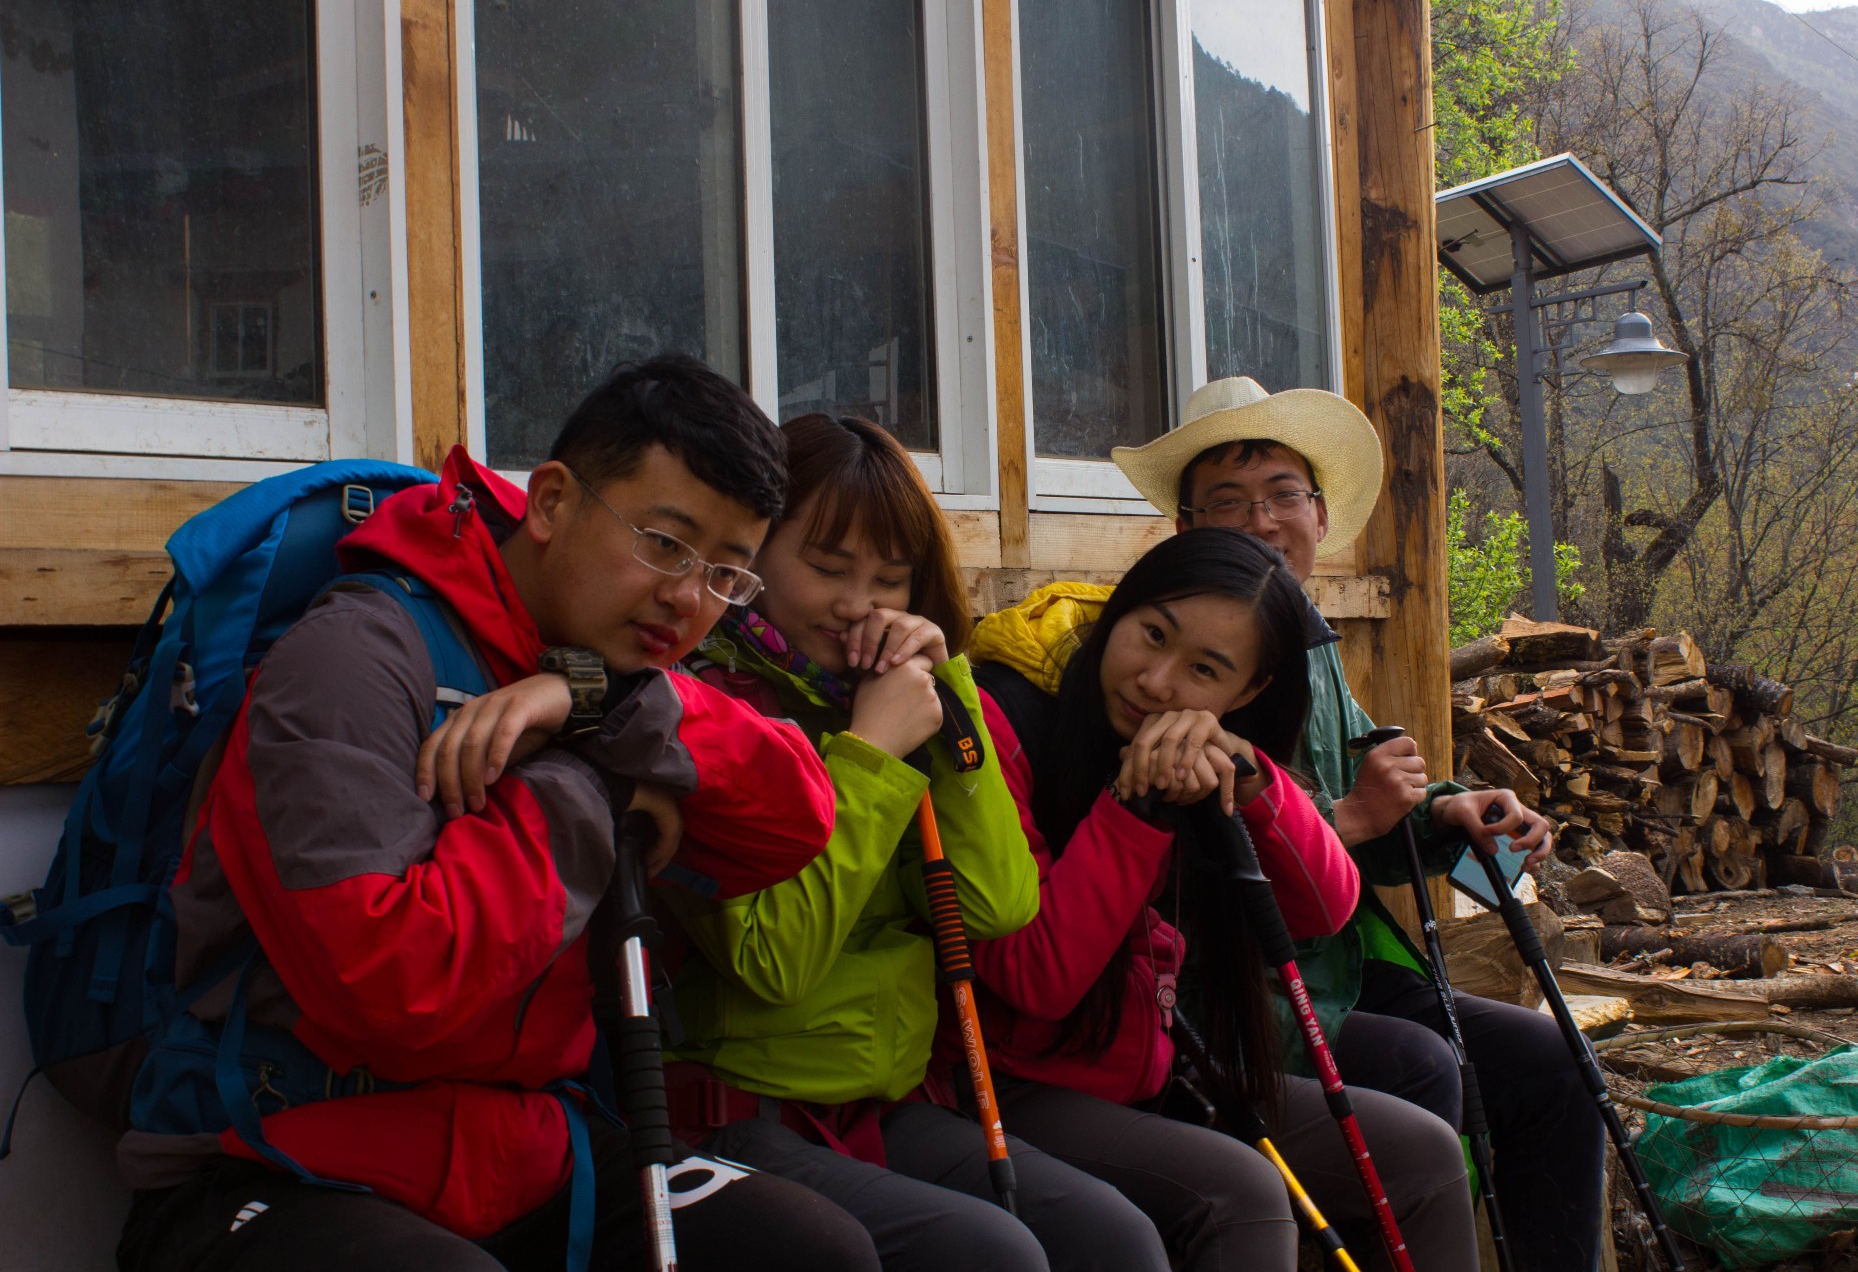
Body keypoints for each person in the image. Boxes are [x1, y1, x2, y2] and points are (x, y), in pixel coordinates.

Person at [118, 357, 881, 1272]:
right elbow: (395, 986)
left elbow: (797, 814)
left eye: (727, 575)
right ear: (552, 502)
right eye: (665, 544)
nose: (688, 602)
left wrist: (588, 696)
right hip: (281, 1151)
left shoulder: (601, 666)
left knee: (811, 1251)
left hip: (523, 1146)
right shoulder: (353, 660)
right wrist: (597, 794)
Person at [1112, 375, 1606, 1272]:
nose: (1262, 521)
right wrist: (1350, 816)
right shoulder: (1179, 659)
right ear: (1185, 531)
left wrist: (1449, 807)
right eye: (1229, 502)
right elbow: (1190, 872)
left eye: (1283, 496)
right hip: (1247, 995)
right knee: (1428, 1067)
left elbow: (1368, 809)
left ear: (1321, 516)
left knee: (1550, 1061)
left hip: (1341, 965)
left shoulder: (1309, 641)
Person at [659, 414, 1166, 1272]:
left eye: (891, 580)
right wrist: (869, 753)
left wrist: (950, 702)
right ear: (753, 549)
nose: (859, 603)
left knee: (1114, 1235)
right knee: (993, 1252)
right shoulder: (703, 702)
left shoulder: (898, 699)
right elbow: (774, 960)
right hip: (734, 1112)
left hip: (882, 1104)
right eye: (826, 567)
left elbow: (999, 907)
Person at [965, 528, 1480, 1272]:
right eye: (1151, 634)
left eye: (1203, 668)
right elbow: (1037, 977)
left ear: (1246, 693)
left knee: (1424, 1154)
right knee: (1243, 1194)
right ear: (1121, 607)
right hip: (1010, 1081)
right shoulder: (1006, 720)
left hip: (1152, 1062)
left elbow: (1324, 906)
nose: (1155, 680)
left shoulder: (1216, 749)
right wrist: (1134, 808)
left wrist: (1257, 781)